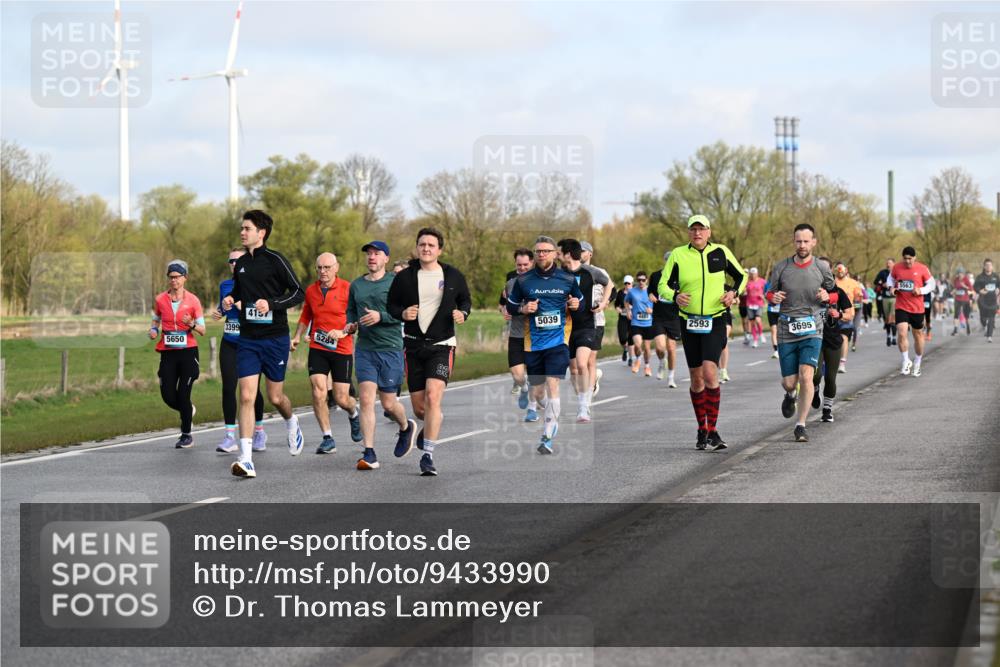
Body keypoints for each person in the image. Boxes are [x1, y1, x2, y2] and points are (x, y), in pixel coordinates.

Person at [222, 210, 305, 479]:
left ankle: (291, 421)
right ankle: (246, 459)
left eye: (247, 228)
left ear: (261, 232)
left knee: (275, 397)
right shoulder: (241, 263)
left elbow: (298, 292)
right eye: (242, 228)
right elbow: (239, 290)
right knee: (246, 396)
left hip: (275, 338)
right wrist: (230, 299)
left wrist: (271, 303)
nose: (242, 232)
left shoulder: (275, 260)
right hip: (248, 339)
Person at [387, 228, 472, 475]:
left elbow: (465, 300)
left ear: (439, 250)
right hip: (413, 346)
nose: (426, 248)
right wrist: (402, 313)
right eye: (422, 244)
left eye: (431, 245)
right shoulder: (405, 277)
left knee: (433, 397)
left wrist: (463, 313)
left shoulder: (453, 275)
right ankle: (430, 421)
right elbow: (391, 305)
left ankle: (428, 456)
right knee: (420, 409)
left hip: (442, 345)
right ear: (417, 247)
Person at [659, 214, 746, 451]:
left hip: (715, 320)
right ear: (688, 232)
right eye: (693, 229)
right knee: (696, 378)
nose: (697, 233)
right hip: (689, 322)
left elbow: (742, 276)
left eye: (701, 229)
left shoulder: (720, 252)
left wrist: (733, 293)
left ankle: (713, 431)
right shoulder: (678, 255)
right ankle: (702, 428)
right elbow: (662, 285)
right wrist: (675, 296)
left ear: (709, 231)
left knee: (710, 373)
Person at [505, 235, 582, 454]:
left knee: (552, 383)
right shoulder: (523, 280)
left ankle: (547, 435)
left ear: (555, 254)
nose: (541, 254)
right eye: (538, 251)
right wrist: (523, 309)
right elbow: (510, 306)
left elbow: (580, 300)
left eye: (546, 251)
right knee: (538, 393)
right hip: (533, 343)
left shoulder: (567, 278)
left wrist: (575, 303)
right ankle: (549, 412)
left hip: (558, 340)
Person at [346, 241, 418, 471]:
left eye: (377, 253)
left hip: (390, 349)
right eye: (369, 253)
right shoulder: (356, 285)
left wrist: (381, 317)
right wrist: (350, 324)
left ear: (386, 258)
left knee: (388, 404)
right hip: (365, 350)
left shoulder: (397, 282)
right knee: (366, 399)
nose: (371, 257)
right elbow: (351, 310)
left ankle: (405, 426)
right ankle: (369, 453)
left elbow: (407, 313)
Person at [766, 224, 835, 443]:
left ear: (814, 242)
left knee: (806, 376)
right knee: (789, 382)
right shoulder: (781, 267)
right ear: (793, 241)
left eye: (806, 241)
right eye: (798, 241)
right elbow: (769, 293)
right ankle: (790, 394)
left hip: (813, 328)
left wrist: (828, 297)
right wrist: (773, 298)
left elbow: (834, 292)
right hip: (787, 329)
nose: (802, 245)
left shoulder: (822, 267)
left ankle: (801, 425)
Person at [290, 252, 363, 454]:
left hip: (342, 349)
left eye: (327, 267)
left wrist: (343, 332)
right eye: (319, 268)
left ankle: (353, 412)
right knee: (318, 390)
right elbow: (306, 315)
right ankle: (327, 437)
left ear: (336, 268)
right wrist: (297, 336)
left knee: (341, 398)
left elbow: (357, 319)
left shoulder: (348, 288)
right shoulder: (311, 290)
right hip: (318, 347)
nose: (323, 271)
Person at [213, 248, 266, 454]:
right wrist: (220, 311)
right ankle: (229, 436)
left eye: (238, 260)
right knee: (228, 387)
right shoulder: (225, 285)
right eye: (231, 261)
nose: (234, 264)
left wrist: (239, 303)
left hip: (251, 343)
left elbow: (261, 312)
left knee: (252, 391)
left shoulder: (257, 283)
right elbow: (224, 309)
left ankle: (259, 431)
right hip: (229, 341)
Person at [150, 259, 206, 449]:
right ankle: (188, 409)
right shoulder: (160, 299)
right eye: (171, 277)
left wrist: (191, 323)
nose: (174, 280)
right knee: (168, 396)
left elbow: (202, 330)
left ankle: (186, 435)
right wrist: (154, 330)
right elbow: (156, 319)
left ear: (184, 278)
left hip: (188, 353)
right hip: (168, 353)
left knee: (183, 394)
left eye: (177, 277)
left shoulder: (193, 300)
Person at [559, 238, 608, 423]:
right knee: (573, 370)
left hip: (587, 325)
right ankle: (583, 397)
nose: (556, 256)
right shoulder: (559, 274)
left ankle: (584, 406)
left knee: (582, 364)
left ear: (567, 254)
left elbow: (609, 284)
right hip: (566, 327)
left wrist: (603, 303)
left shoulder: (590, 272)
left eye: (559, 253)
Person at [811, 258, 854, 423]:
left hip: (833, 340)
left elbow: (850, 313)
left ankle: (827, 409)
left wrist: (839, 314)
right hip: (814, 338)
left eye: (826, 270)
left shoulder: (838, 292)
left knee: (830, 378)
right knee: (815, 375)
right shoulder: (809, 290)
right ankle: (815, 389)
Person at [500, 248, 537, 419]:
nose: (522, 268)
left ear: (532, 263)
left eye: (525, 265)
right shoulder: (510, 284)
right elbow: (505, 305)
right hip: (516, 334)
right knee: (518, 375)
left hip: (536, 335)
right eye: (519, 265)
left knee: (536, 375)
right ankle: (523, 388)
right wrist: (505, 311)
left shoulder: (541, 283)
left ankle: (532, 410)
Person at [887, 246, 935, 377]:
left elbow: (932, 284)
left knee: (918, 335)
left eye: (910, 258)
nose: (907, 261)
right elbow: (890, 279)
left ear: (915, 258)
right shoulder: (897, 267)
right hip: (901, 306)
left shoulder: (922, 268)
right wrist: (891, 288)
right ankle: (906, 360)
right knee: (902, 332)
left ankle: (917, 362)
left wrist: (921, 290)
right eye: (905, 258)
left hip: (917, 308)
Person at [581, 241, 614, 396]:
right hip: (577, 321)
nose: (579, 254)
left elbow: (612, 289)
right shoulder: (572, 272)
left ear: (590, 254)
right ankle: (591, 380)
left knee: (590, 359)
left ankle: (589, 390)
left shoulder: (599, 272)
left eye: (582, 251)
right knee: (579, 361)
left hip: (596, 320)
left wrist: (604, 303)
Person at [648, 252, 681, 387]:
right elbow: (650, 290)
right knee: (660, 347)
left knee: (671, 348)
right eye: (668, 260)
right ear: (665, 260)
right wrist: (650, 295)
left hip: (674, 317)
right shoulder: (656, 275)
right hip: (659, 317)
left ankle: (671, 377)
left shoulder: (680, 277)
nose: (669, 262)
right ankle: (662, 362)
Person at [625, 272, 655, 377]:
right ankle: (638, 359)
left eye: (643, 280)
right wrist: (628, 311)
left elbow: (658, 304)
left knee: (647, 348)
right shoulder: (632, 291)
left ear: (646, 280)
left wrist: (652, 311)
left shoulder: (651, 291)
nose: (641, 282)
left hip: (648, 323)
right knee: (637, 345)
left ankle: (647, 366)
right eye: (639, 280)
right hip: (636, 322)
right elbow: (626, 301)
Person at [833, 263, 862, 373]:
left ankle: (842, 364)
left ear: (846, 270)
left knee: (844, 337)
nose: (840, 272)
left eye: (842, 270)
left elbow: (858, 298)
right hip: (832, 315)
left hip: (847, 315)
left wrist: (858, 300)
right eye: (838, 270)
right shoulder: (832, 282)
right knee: (832, 339)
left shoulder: (853, 283)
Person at [974, 259, 998, 342]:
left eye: (990, 265)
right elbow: (975, 287)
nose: (988, 266)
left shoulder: (996, 276)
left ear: (992, 266)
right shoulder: (980, 277)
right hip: (983, 300)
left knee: (991, 318)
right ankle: (984, 325)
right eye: (987, 265)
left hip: (993, 300)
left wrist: (998, 289)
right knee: (983, 319)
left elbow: (999, 286)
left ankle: (989, 336)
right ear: (984, 267)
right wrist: (980, 291)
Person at [874, 258, 897, 347]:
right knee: (887, 318)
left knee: (892, 318)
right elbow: (876, 281)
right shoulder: (882, 272)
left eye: (890, 263)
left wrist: (895, 285)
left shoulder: (897, 272)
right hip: (885, 298)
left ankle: (894, 337)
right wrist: (882, 284)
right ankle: (888, 336)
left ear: (894, 264)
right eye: (887, 263)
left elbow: (901, 281)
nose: (888, 265)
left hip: (894, 298)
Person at [744, 267, 767, 348]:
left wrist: (763, 296)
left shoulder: (762, 281)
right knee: (752, 323)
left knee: (758, 320)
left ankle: (761, 334)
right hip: (749, 304)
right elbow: (744, 291)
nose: (753, 275)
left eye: (754, 274)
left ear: (757, 274)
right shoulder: (748, 282)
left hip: (759, 303)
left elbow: (768, 290)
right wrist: (744, 292)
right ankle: (755, 340)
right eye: (751, 274)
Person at [615, 275, 634, 364]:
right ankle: (625, 349)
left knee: (631, 339)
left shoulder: (635, 292)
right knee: (622, 338)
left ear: (632, 284)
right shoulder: (620, 293)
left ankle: (631, 358)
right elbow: (616, 304)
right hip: (623, 317)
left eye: (628, 283)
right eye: (625, 283)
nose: (627, 285)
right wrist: (618, 309)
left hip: (633, 318)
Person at [952, 268, 974, 336]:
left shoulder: (966, 279)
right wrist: (953, 291)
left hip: (965, 300)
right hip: (958, 299)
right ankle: (955, 329)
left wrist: (965, 286)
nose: (959, 275)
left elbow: (971, 289)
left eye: (961, 273)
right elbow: (955, 288)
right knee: (956, 314)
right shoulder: (956, 280)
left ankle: (968, 326)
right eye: (958, 273)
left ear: (963, 274)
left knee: (966, 315)